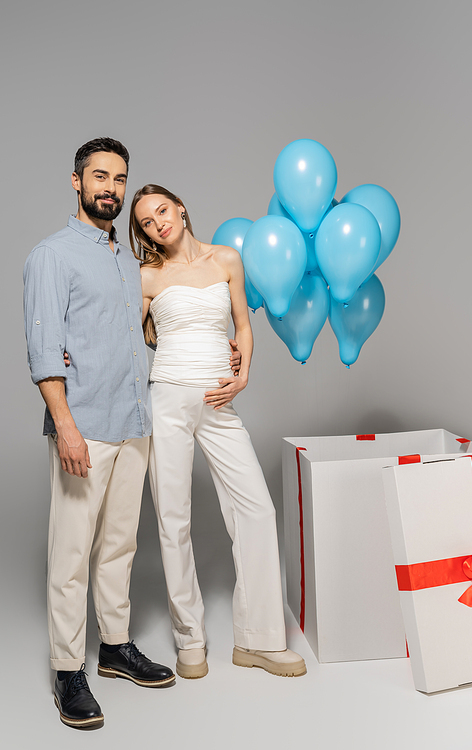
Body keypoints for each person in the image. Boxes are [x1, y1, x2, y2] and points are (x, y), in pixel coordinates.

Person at [23, 139, 181, 730]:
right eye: (98, 177)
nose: (110, 188)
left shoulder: (124, 261)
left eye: (119, 178)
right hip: (84, 426)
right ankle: (68, 669)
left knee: (119, 547)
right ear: (76, 182)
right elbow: (44, 352)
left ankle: (114, 647)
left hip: (133, 423)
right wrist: (65, 427)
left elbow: (133, 337)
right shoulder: (52, 256)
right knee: (71, 554)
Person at [129, 184, 306, 680]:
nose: (157, 223)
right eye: (145, 221)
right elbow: (119, 337)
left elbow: (244, 328)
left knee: (256, 508)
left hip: (218, 400)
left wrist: (243, 374)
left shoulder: (226, 258)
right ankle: (189, 639)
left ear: (180, 208)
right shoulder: (145, 276)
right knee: (173, 518)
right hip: (166, 398)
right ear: (143, 232)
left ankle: (261, 640)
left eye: (162, 210)